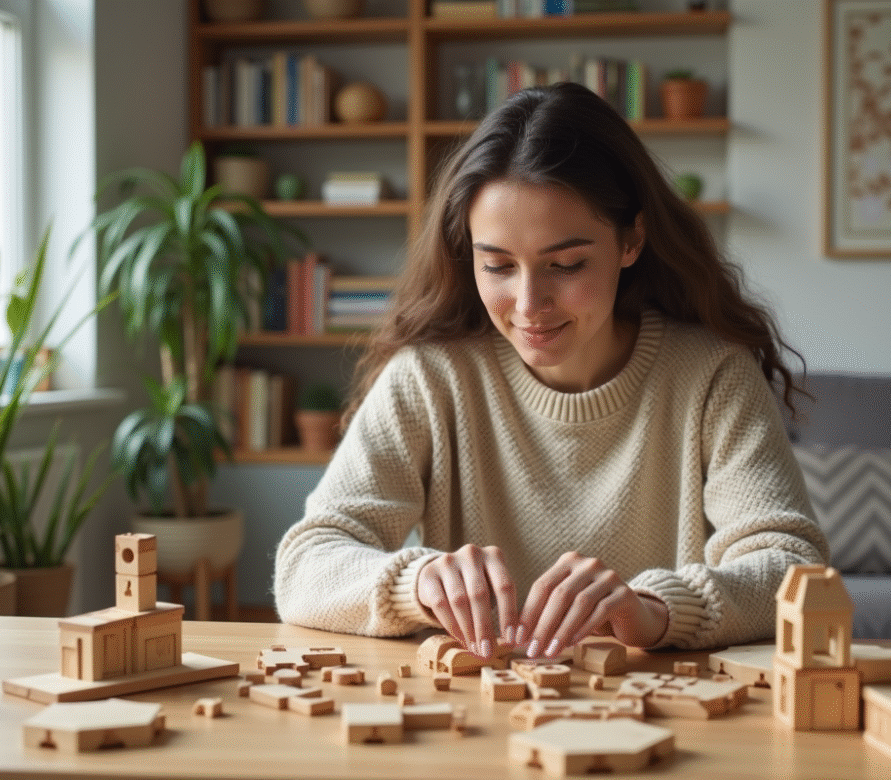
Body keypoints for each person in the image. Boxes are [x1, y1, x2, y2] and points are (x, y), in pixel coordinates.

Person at [274, 82, 828, 660]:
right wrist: (416, 583)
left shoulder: (713, 376)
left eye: (566, 264)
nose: (529, 303)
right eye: (498, 266)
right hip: (473, 720)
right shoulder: (430, 377)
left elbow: (794, 568)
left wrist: (657, 610)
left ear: (632, 240)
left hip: (658, 720)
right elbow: (305, 566)